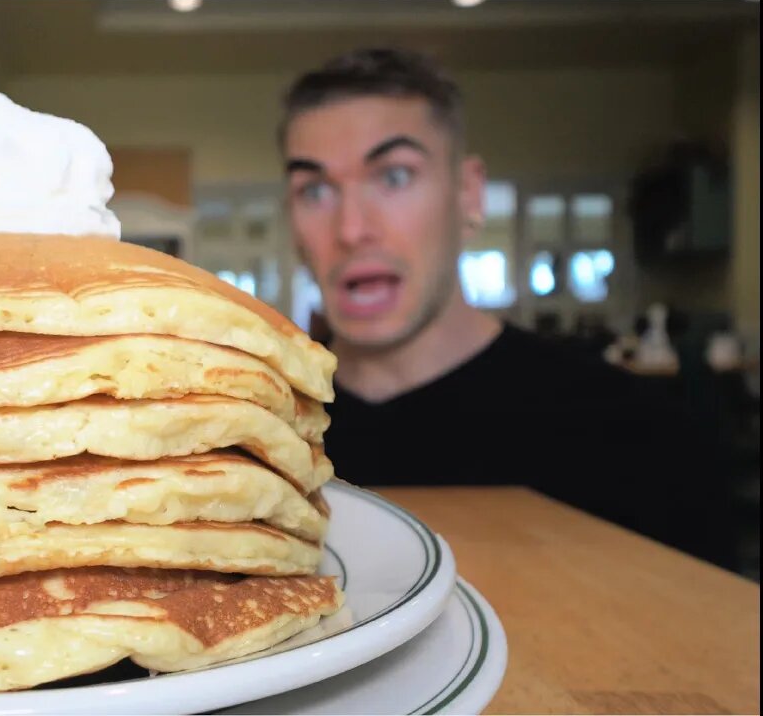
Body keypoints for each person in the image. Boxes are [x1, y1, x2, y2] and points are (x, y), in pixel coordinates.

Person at [279, 47, 738, 570]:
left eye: (395, 176)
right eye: (314, 189)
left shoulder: (640, 437)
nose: (351, 229)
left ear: (468, 194)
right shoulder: (264, 439)